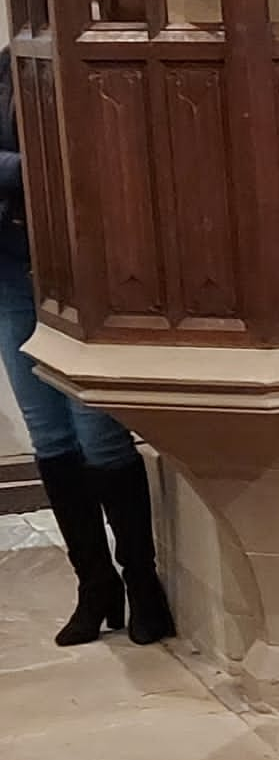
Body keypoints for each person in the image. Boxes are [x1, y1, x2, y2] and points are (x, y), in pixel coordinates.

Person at [0, 46, 175, 647]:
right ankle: (95, 587)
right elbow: (38, 166)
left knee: (98, 431)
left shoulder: (92, 64)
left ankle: (143, 583)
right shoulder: (5, 69)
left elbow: (84, 163)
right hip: (9, 272)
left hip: (82, 273)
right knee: (48, 433)